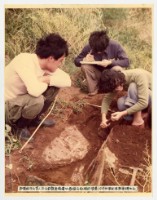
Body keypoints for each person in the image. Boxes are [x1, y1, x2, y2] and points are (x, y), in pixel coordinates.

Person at [5, 33, 71, 140]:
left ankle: (33, 119)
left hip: (19, 102)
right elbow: (35, 91)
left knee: (53, 86)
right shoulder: (24, 60)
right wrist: (45, 81)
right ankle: (19, 128)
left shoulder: (44, 65)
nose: (60, 64)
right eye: (60, 61)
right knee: (37, 99)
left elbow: (67, 80)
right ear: (51, 58)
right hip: (6, 107)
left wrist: (47, 79)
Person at [74, 30, 130, 95]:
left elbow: (126, 62)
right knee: (85, 66)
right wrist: (84, 59)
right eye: (96, 50)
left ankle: (115, 89)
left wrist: (110, 62)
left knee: (117, 68)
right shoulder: (89, 46)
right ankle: (94, 90)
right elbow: (76, 61)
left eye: (101, 50)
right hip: (98, 75)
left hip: (111, 75)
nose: (98, 52)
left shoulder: (115, 45)